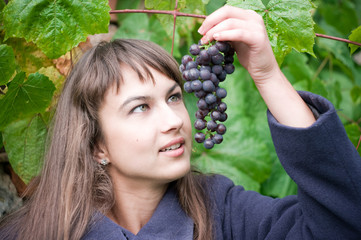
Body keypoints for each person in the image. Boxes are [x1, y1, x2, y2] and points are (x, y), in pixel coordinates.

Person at [1, 5, 361, 240]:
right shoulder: (30, 233)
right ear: (97, 146)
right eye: (140, 107)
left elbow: (343, 221)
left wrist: (266, 75)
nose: (174, 120)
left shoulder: (224, 213)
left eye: (174, 97)